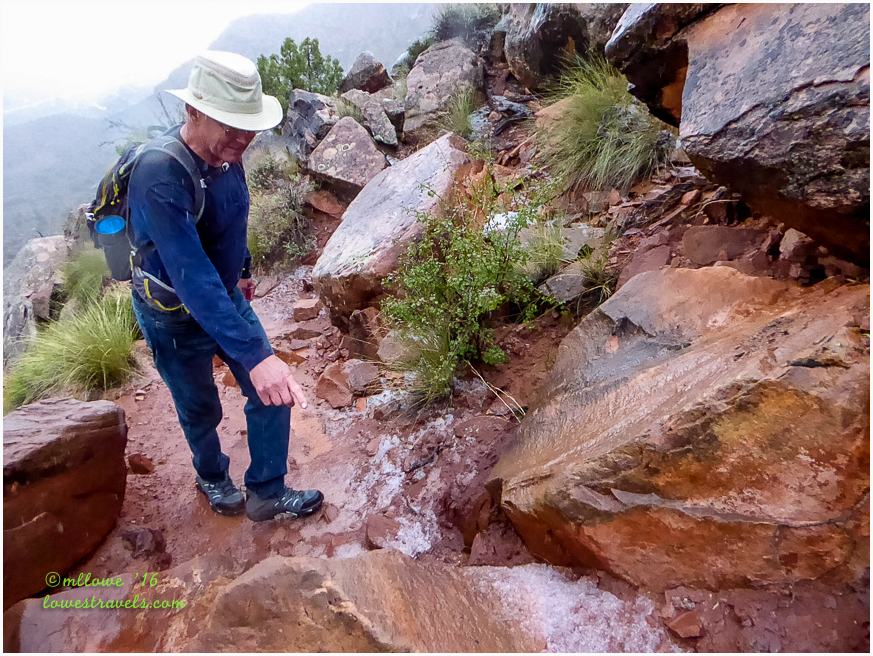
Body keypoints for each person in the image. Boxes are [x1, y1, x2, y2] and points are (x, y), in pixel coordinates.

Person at [128, 50, 323, 522]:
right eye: (230, 124)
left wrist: (244, 268)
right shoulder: (160, 175)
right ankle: (212, 474)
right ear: (193, 111)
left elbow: (233, 216)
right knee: (200, 406)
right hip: (173, 313)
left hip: (222, 293)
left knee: (272, 388)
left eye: (248, 124)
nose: (244, 136)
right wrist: (255, 356)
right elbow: (190, 276)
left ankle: (267, 491)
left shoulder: (226, 154)